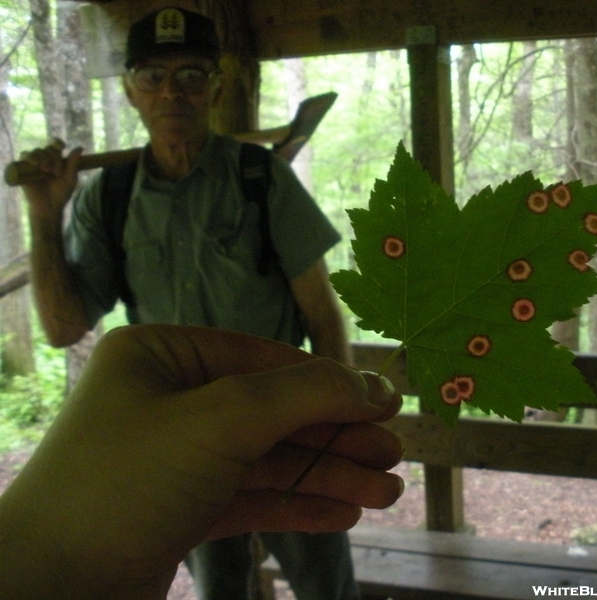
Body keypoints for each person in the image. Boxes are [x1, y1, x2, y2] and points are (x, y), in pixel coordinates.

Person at [19, 6, 359, 599]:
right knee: (221, 590)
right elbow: (62, 328)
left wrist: (329, 430)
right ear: (130, 91)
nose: (171, 92)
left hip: (285, 430)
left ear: (216, 85)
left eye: (191, 75)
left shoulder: (259, 178)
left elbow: (325, 318)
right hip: (180, 442)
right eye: (152, 76)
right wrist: (46, 213)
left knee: (324, 585)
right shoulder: (112, 197)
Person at [0, 324, 405, 600]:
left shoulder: (267, 194)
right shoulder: (118, 199)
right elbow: (63, 322)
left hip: (298, 432)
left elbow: (321, 310)